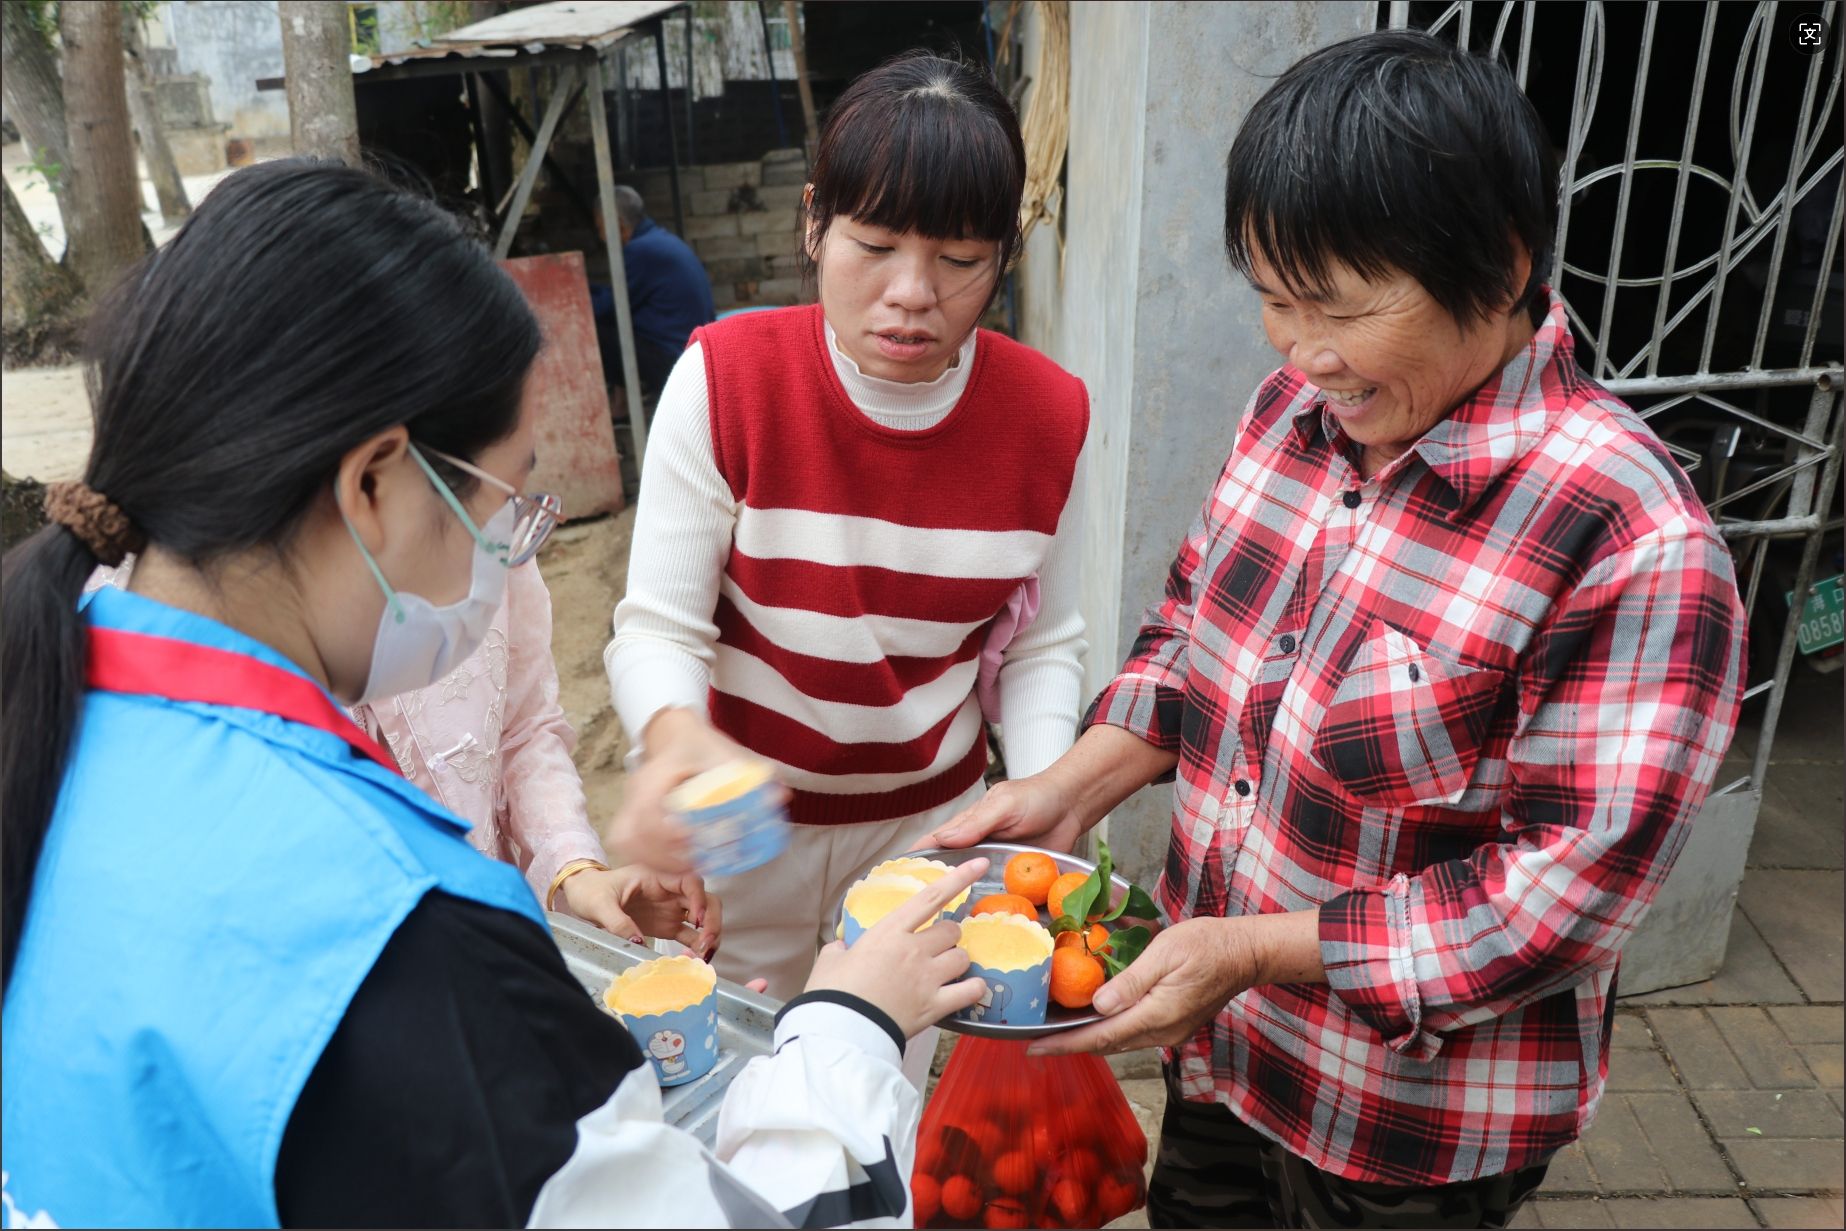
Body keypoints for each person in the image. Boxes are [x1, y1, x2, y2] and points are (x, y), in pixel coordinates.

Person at [0, 158, 989, 1229]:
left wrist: (569, 866)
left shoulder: (45, 708)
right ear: (373, 484)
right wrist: (848, 1024)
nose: (510, 547)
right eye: (503, 498)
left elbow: (527, 729)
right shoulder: (417, 941)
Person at [930, 31, 1748, 1230]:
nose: (1303, 353)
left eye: (1340, 308)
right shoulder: (1291, 417)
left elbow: (1560, 895)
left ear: (1501, 266)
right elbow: (1192, 637)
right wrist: (1069, 789)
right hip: (1222, 1046)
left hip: (1403, 1120)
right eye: (1273, 300)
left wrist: (1252, 949)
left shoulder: (1629, 538)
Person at [603, 52, 1092, 1078]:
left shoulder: (1048, 417)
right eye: (873, 245)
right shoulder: (726, 381)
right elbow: (658, 625)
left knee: (876, 1092)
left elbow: (1045, 642)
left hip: (930, 834)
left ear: (1005, 254)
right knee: (736, 1083)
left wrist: (1043, 802)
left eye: (960, 259)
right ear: (815, 224)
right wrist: (676, 737)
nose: (912, 294)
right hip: (746, 836)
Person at [591, 184, 717, 414]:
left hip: (674, 357)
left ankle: (623, 405)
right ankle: (624, 401)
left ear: (618, 225)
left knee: (593, 330)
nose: (601, 237)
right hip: (690, 349)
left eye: (601, 228)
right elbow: (617, 297)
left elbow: (609, 308)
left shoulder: (639, 251)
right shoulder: (659, 240)